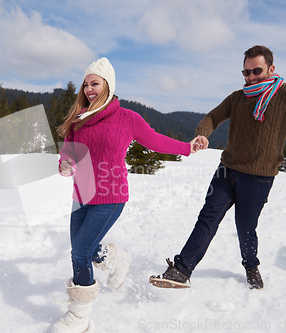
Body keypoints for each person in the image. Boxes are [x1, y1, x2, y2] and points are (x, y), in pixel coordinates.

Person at [149, 45, 286, 290]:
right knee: (207, 218)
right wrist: (202, 134)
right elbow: (212, 117)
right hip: (227, 171)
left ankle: (251, 266)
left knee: (246, 228)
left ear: (271, 68)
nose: (250, 78)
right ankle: (181, 269)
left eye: (256, 71)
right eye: (245, 73)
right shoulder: (238, 97)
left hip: (259, 179)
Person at [52, 57, 199, 332]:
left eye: (94, 83)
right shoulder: (78, 120)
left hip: (110, 195)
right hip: (81, 194)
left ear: (107, 85)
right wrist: (65, 161)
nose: (89, 89)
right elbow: (69, 150)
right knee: (85, 250)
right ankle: (116, 258)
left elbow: (156, 140)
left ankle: (79, 316)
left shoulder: (127, 118)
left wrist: (187, 148)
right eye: (85, 85)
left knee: (80, 252)